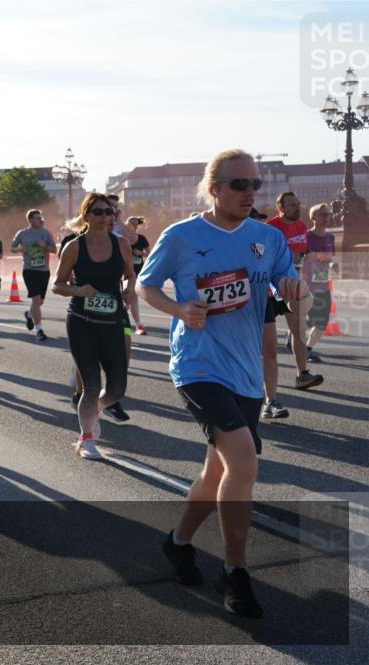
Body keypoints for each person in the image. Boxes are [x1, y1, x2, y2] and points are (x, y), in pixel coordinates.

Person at [138, 148, 307, 619]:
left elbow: (288, 285)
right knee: (244, 459)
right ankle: (235, 572)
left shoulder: (265, 238)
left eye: (255, 185)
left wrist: (296, 292)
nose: (250, 193)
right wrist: (179, 310)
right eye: (239, 185)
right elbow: (144, 287)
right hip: (197, 366)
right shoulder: (183, 236)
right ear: (214, 189)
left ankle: (178, 542)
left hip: (245, 373)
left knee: (217, 472)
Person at [52, 194, 134, 460]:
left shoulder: (121, 244)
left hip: (112, 322)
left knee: (117, 388)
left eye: (108, 212)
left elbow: (130, 275)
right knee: (90, 384)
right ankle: (86, 439)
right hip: (82, 323)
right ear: (86, 215)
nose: (104, 217)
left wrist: (128, 290)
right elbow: (57, 284)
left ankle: (93, 411)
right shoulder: (74, 247)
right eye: (98, 212)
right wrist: (79, 290)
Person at [261, 192, 323, 419]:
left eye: (298, 203)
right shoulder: (269, 228)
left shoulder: (301, 227)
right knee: (268, 346)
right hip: (269, 290)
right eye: (292, 204)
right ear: (281, 207)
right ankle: (267, 398)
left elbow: (302, 257)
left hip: (294, 287)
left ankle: (302, 374)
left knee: (298, 331)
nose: (297, 207)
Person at [11, 209, 56, 341]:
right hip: (29, 270)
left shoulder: (46, 233)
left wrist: (45, 246)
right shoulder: (22, 233)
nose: (41, 220)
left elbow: (54, 249)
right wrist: (20, 249)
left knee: (40, 302)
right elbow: (12, 248)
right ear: (30, 220)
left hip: (44, 270)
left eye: (41, 217)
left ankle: (29, 314)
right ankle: (39, 330)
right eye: (37, 218)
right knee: (36, 300)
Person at [303, 202, 338, 362]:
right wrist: (315, 257)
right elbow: (299, 257)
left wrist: (332, 264)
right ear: (313, 217)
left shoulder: (331, 237)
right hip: (307, 285)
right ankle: (299, 344)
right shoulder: (306, 237)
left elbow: (329, 258)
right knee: (306, 320)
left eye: (328, 214)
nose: (326, 217)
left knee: (322, 323)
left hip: (323, 285)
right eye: (323, 214)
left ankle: (307, 349)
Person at [122, 216, 150, 335]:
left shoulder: (142, 238)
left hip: (136, 272)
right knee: (127, 298)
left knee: (132, 297)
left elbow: (150, 253)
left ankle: (136, 325)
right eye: (130, 223)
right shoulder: (121, 238)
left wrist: (141, 253)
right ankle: (126, 324)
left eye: (135, 224)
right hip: (122, 272)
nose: (132, 226)